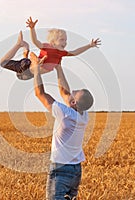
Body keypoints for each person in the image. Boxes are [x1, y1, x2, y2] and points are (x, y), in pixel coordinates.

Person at [29, 52, 94, 200]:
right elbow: (64, 91)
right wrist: (58, 67)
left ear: (74, 103)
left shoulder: (65, 114)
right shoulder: (83, 115)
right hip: (76, 170)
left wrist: (37, 70)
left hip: (61, 169)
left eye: (75, 93)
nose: (73, 92)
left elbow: (40, 93)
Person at [26, 16, 101, 74]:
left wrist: (89, 46)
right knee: (32, 59)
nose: (65, 43)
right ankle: (29, 58)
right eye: (62, 40)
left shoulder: (61, 53)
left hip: (35, 73)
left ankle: (31, 59)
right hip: (27, 70)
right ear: (53, 42)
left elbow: (75, 52)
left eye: (65, 40)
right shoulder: (47, 47)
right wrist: (32, 29)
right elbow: (35, 41)